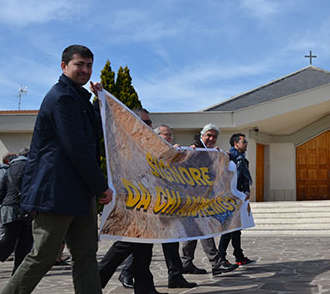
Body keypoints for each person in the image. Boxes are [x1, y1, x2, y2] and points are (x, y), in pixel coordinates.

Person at [1, 44, 113, 294]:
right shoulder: (61, 97)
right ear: (64, 66)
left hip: (79, 194)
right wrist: (101, 185)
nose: (85, 70)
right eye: (79, 64)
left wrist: (99, 101)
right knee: (43, 255)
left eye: (89, 65)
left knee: (85, 254)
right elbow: (76, 147)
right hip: (56, 193)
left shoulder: (78, 98)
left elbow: (92, 134)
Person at [117, 125, 200, 290]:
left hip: (168, 203)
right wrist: (169, 154)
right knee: (141, 243)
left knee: (171, 241)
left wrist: (187, 154)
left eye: (171, 135)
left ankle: (175, 276)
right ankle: (126, 271)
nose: (170, 138)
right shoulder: (149, 150)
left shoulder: (172, 152)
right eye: (166, 135)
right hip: (150, 203)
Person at [99, 108, 166, 294]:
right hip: (132, 200)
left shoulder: (150, 145)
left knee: (143, 246)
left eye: (149, 122)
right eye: (143, 122)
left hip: (148, 201)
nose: (148, 125)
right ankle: (96, 279)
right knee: (126, 243)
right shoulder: (125, 143)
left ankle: (145, 287)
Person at [181, 124, 238, 276]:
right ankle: (216, 263)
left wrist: (220, 156)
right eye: (209, 135)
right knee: (204, 228)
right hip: (192, 198)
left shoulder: (211, 151)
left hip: (203, 197)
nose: (211, 139)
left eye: (214, 136)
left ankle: (186, 263)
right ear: (202, 135)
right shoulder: (194, 149)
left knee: (194, 231)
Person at [217, 133, 255, 266]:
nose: (246, 144)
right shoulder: (229, 157)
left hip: (239, 196)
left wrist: (246, 191)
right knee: (229, 227)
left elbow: (243, 178)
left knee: (236, 228)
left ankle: (239, 256)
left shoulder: (242, 159)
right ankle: (220, 257)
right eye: (243, 142)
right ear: (236, 144)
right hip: (229, 196)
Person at [0, 150, 33, 274]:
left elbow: (1, 190)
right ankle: (17, 272)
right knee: (24, 243)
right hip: (25, 208)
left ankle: (17, 273)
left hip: (9, 207)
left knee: (10, 239)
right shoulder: (30, 167)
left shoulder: (9, 169)